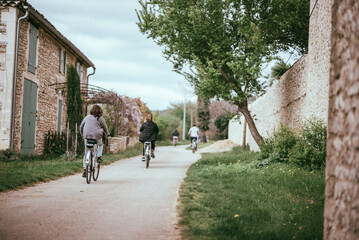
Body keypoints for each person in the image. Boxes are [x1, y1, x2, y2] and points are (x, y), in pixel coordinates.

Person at [80, 105, 109, 177]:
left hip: (86, 136)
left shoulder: (87, 117)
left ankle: (85, 168)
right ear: (100, 111)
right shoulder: (100, 118)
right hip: (97, 136)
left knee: (86, 152)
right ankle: (99, 156)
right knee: (100, 144)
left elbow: (81, 127)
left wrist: (82, 134)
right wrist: (107, 134)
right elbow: (105, 128)